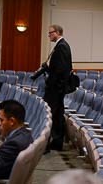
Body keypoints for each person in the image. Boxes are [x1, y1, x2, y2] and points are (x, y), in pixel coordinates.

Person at [32, 24, 72, 152]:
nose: (49, 35)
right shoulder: (60, 46)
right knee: (56, 116)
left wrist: (56, 86)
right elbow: (57, 69)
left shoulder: (62, 47)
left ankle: (46, 145)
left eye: (50, 33)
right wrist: (47, 68)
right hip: (56, 88)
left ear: (58, 32)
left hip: (55, 89)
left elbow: (62, 70)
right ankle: (57, 142)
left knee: (49, 116)